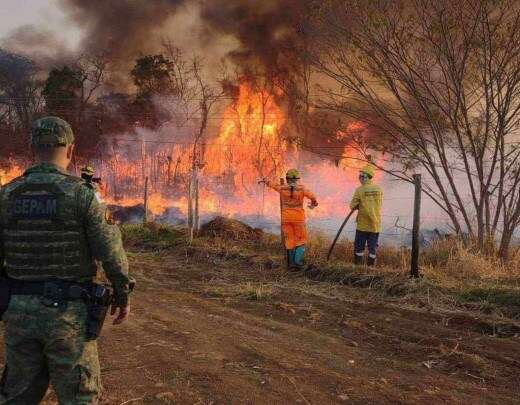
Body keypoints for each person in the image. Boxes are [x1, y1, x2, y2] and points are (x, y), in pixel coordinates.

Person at [0, 116, 134, 404]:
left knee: (16, 397)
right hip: (69, 317)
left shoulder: (6, 195)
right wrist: (123, 293)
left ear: (32, 146)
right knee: (79, 398)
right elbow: (110, 251)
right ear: (71, 150)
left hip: (18, 313)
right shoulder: (82, 196)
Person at [264, 169, 318, 270]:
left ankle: (291, 264)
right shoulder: (302, 189)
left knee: (289, 240)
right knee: (301, 240)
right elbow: (313, 196)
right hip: (298, 218)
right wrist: (314, 203)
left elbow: (273, 185)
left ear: (287, 179)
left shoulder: (282, 188)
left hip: (286, 218)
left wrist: (266, 181)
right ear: (297, 179)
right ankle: (297, 263)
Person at [350, 164, 383, 266]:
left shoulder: (359, 190)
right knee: (372, 248)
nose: (359, 178)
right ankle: (370, 269)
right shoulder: (379, 189)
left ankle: (358, 267)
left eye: (361, 175)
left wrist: (359, 204)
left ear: (366, 177)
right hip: (375, 225)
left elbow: (352, 206)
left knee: (359, 247)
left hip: (363, 225)